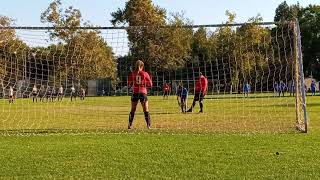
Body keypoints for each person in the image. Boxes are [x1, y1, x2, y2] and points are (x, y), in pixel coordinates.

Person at [127, 60, 152, 129]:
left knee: (132, 109)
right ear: (142, 66)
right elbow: (150, 84)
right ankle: (148, 125)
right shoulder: (145, 73)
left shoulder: (132, 74)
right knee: (146, 110)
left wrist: (132, 85)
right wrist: (146, 84)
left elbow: (129, 84)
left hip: (135, 93)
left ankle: (130, 125)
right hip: (143, 93)